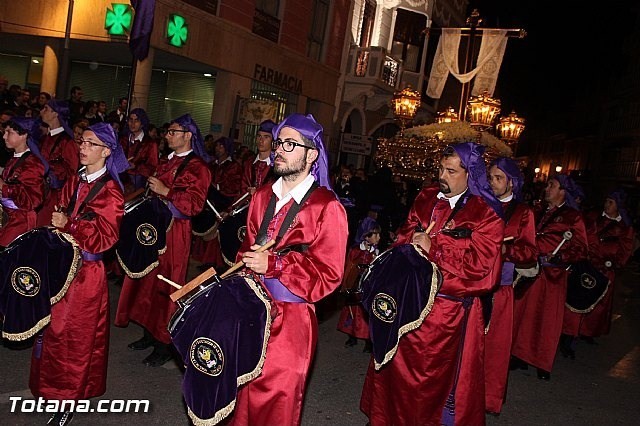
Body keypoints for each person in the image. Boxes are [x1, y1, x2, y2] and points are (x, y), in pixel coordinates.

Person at [360, 142, 504, 426]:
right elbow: (404, 235)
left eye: (451, 171)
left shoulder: (485, 214)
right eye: (440, 168)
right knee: (392, 367)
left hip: (445, 315)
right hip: (406, 300)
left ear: (470, 174)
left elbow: (484, 273)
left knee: (424, 384)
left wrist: (434, 249)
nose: (442, 176)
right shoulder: (426, 197)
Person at [227, 113, 348, 425]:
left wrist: (277, 265)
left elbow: (329, 276)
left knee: (277, 402)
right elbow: (245, 252)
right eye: (279, 142)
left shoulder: (327, 207)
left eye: (290, 144)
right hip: (251, 310)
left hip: (291, 319)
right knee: (241, 392)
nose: (279, 149)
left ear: (311, 155)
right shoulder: (261, 196)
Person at [29, 122, 126, 426]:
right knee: (52, 330)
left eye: (91, 144)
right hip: (62, 267)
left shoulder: (111, 192)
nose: (83, 148)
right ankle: (51, 389)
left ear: (107, 151)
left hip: (86, 274)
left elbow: (105, 238)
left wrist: (69, 224)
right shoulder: (76, 179)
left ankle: (68, 398)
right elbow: (60, 212)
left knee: (76, 338)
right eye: (82, 142)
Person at [115, 113, 212, 367]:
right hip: (153, 229)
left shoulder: (198, 167)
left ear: (188, 135)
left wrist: (166, 191)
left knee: (167, 285)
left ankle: (164, 343)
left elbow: (194, 204)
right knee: (147, 282)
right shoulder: (166, 160)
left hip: (174, 233)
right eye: (167, 131)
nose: (167, 136)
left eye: (173, 131)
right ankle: (149, 333)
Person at [511, 174, 588, 380]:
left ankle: (542, 362)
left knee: (548, 320)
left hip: (553, 276)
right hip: (530, 271)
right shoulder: (537, 211)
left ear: (563, 191)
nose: (547, 188)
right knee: (524, 315)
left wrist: (561, 256)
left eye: (551, 185)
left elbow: (581, 248)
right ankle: (519, 355)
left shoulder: (573, 217)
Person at [485, 157, 537, 415]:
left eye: (498, 178)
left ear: (512, 182)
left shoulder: (523, 212)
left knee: (494, 348)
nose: (493, 183)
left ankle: (486, 399)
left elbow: (529, 252)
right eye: (491, 177)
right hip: (475, 284)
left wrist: (507, 249)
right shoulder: (480, 204)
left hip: (501, 288)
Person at [562, 189, 634, 343]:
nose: (606, 205)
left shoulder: (625, 228)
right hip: (587, 266)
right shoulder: (594, 218)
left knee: (599, 305)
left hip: (605, 270)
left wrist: (615, 264)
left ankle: (588, 332)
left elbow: (626, 249)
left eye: (610, 202)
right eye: (606, 201)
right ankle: (569, 333)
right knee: (578, 299)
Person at [0, 117, 47, 248]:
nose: (4, 136)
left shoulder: (32, 163)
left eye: (9, 132)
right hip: (9, 218)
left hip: (20, 222)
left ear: (24, 135)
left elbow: (34, 199)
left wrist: (4, 188)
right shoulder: (15, 159)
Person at [337, 216, 380, 352]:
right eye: (375, 234)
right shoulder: (355, 250)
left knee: (368, 312)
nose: (378, 237)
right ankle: (352, 336)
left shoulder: (377, 251)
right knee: (352, 311)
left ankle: (369, 340)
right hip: (355, 286)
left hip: (369, 287)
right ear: (366, 236)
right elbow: (349, 267)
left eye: (379, 234)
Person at [36, 99, 80, 227]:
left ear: (56, 114)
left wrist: (50, 170)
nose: (42, 112)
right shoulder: (46, 138)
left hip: (55, 197)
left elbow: (72, 171)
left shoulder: (67, 142)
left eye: (46, 109)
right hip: (42, 192)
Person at [119, 108, 158, 193]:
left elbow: (153, 167)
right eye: (131, 120)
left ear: (142, 123)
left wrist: (135, 166)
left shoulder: (150, 143)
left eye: (136, 120)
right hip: (119, 180)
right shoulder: (123, 140)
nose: (132, 124)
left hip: (138, 184)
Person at [241, 119, 276, 196]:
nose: (261, 140)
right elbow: (242, 187)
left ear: (273, 141)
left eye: (266, 137)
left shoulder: (277, 165)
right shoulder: (249, 163)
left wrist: (259, 193)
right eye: (259, 136)